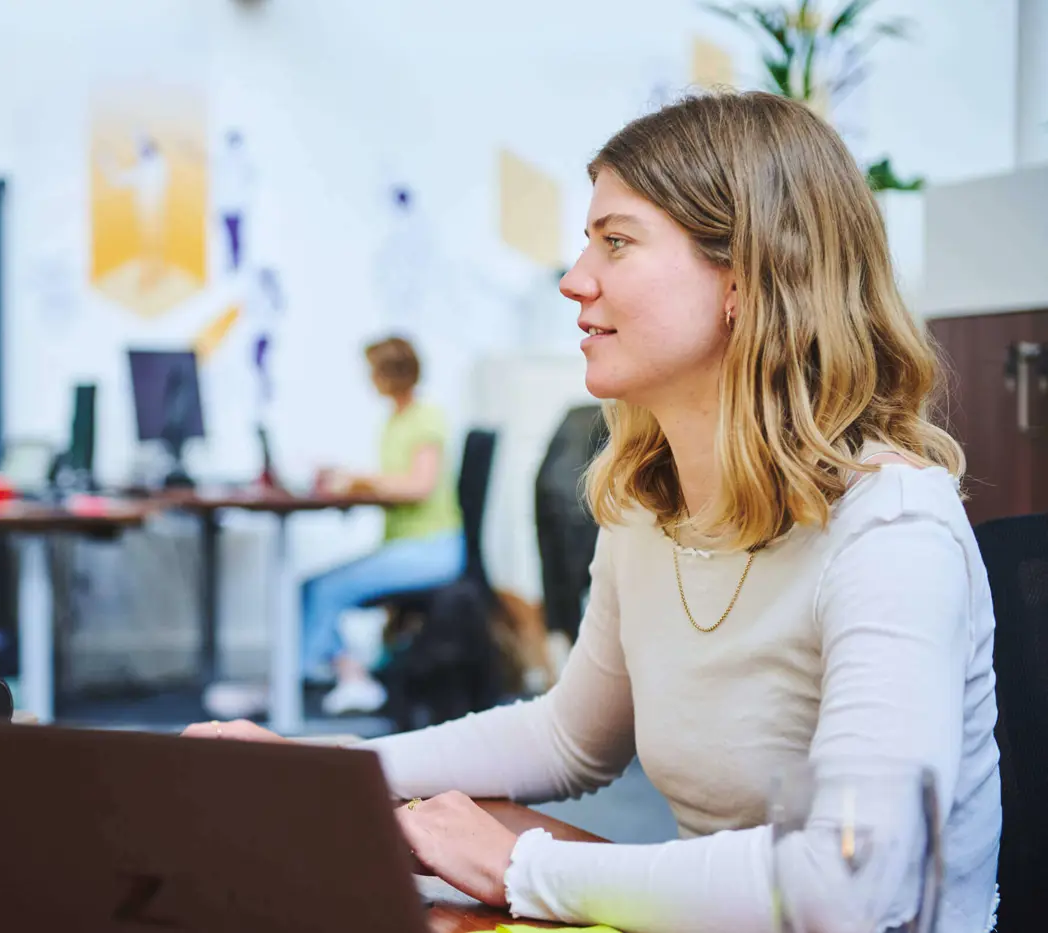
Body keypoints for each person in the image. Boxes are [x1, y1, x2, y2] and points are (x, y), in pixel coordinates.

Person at [184, 90, 1001, 932]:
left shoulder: (893, 532)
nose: (576, 281)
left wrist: (520, 865)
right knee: (390, 840)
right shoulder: (649, 509)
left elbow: (851, 885)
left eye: (616, 242)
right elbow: (569, 740)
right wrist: (328, 771)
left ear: (745, 278)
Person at [305, 335, 465, 716]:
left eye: (373, 371)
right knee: (314, 588)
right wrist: (354, 480)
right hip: (407, 546)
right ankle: (324, 675)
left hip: (432, 550)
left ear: (388, 373)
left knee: (323, 590)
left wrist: (360, 481)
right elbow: (395, 479)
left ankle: (348, 678)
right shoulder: (395, 418)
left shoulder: (426, 417)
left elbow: (418, 486)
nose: (369, 379)